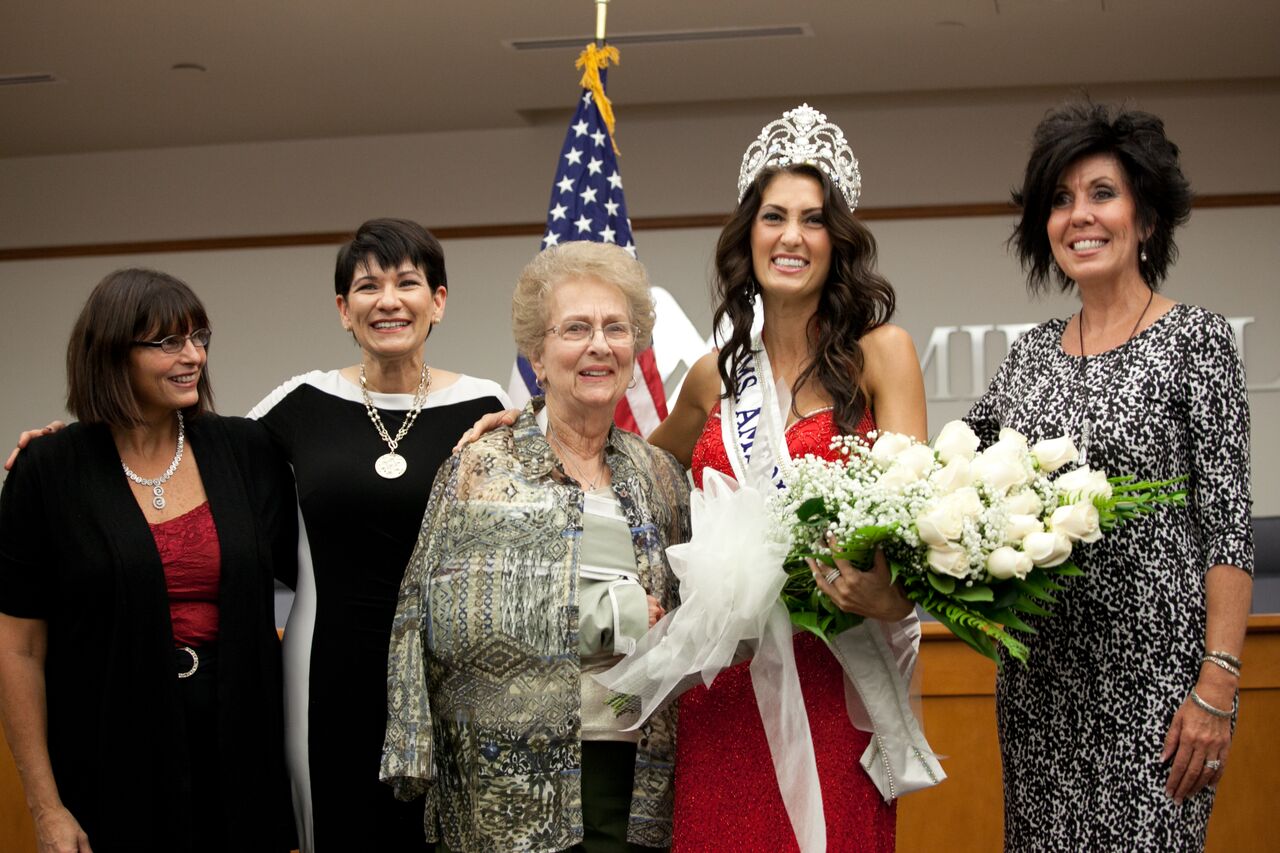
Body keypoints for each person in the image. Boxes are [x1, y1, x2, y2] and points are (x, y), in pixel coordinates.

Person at [964, 101, 1254, 850]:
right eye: (1060, 199)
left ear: (1147, 218)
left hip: (1161, 693)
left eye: (1101, 193)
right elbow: (959, 478)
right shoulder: (1028, 354)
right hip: (1041, 691)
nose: (1078, 216)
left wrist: (1217, 686)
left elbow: (1227, 528)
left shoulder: (1198, 340)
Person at [644, 104, 930, 851]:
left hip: (836, 672)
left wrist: (886, 590)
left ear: (838, 241)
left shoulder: (882, 355)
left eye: (812, 218)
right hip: (729, 687)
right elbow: (634, 464)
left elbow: (918, 532)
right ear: (750, 234)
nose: (792, 236)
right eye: (774, 216)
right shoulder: (713, 376)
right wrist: (533, 424)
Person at [381, 241, 690, 852]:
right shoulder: (483, 466)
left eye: (615, 328)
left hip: (633, 778)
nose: (599, 344)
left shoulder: (660, 476)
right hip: (503, 782)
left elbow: (690, 609)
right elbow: (436, 617)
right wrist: (616, 617)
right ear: (537, 356)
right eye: (576, 328)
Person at [0, 269, 295, 853]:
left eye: (199, 337)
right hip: (107, 757)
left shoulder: (246, 449)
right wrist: (46, 806)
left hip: (237, 756)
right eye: (168, 343)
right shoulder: (49, 470)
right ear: (112, 353)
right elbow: (19, 649)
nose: (193, 356)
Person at [248, 218, 511, 851]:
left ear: (438, 301)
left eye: (408, 283)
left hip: (454, 678)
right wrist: (72, 453)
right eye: (367, 287)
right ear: (344, 310)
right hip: (325, 673)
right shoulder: (297, 405)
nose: (388, 301)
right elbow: (191, 463)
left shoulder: (487, 406)